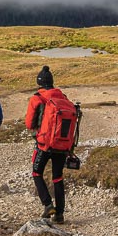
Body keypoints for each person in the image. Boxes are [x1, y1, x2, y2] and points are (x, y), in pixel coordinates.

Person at [25, 65, 79, 224]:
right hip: (62, 146)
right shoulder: (63, 97)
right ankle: (60, 214)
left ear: (39, 82)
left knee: (36, 172)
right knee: (57, 177)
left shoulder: (37, 98)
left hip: (44, 144)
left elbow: (29, 124)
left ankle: (48, 204)